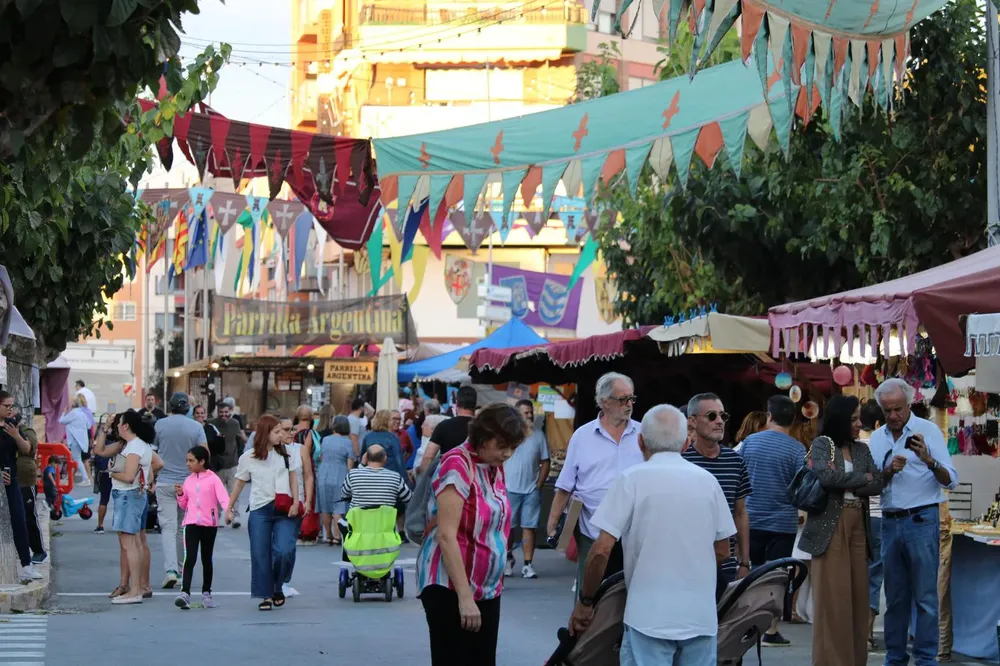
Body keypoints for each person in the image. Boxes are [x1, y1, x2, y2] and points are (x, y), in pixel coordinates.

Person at [569, 405, 736, 666]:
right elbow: (723, 550)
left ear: (640, 442)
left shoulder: (630, 480)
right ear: (685, 444)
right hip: (700, 618)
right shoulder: (709, 482)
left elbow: (601, 550)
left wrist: (586, 600)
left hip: (647, 617)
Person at [415, 403, 528, 666]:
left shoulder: (492, 465)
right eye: (502, 446)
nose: (508, 453)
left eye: (513, 447)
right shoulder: (457, 464)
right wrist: (465, 599)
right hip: (451, 586)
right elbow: (446, 536)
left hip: (485, 587)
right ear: (484, 437)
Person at [868, 378, 957, 666]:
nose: (893, 415)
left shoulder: (928, 431)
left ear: (908, 405)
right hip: (890, 521)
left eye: (898, 409)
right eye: (887, 410)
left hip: (922, 519)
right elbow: (871, 484)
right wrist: (887, 471)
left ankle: (925, 658)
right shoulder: (877, 438)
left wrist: (928, 460)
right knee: (895, 598)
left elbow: (951, 480)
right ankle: (895, 657)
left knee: (925, 598)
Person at [798, 395, 884, 666]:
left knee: (858, 598)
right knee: (833, 599)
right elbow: (826, 477)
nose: (859, 424)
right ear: (840, 420)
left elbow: (877, 482)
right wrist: (862, 478)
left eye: (859, 419)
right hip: (831, 525)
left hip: (859, 523)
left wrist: (850, 481)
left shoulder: (861, 449)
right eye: (853, 419)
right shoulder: (823, 444)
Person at [547, 372, 644, 593]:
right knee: (589, 593)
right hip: (592, 531)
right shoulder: (582, 436)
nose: (629, 405)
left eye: (631, 399)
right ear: (604, 402)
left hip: (635, 532)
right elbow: (565, 485)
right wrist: (552, 525)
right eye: (623, 399)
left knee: (632, 593)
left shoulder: (643, 433)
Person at [738, 395, 804, 646]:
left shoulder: (749, 443)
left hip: (751, 518)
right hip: (783, 522)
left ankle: (746, 624)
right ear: (793, 420)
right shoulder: (797, 450)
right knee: (777, 576)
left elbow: (739, 478)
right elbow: (800, 488)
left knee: (751, 572)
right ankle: (771, 629)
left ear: (769, 416)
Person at [227, 415, 301, 612]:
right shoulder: (249, 457)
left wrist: (296, 502)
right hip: (260, 509)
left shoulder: (289, 453)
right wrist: (229, 507)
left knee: (284, 550)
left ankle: (278, 586)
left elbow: (294, 479)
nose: (281, 435)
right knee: (260, 554)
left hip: (285, 509)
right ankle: (266, 595)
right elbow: (239, 483)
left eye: (281, 431)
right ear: (265, 434)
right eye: (276, 432)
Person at [682, 393, 752, 584]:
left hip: (726, 564)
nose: (720, 421)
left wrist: (744, 562)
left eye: (723, 416)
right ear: (692, 421)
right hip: (687, 561)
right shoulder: (681, 460)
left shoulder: (735, 461)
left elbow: (740, 513)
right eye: (712, 416)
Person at [153, 392, 208, 589]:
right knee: (182, 528)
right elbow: (205, 454)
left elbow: (152, 452)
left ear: (171, 406)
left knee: (168, 527)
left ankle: (171, 571)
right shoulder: (196, 427)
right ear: (188, 408)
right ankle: (181, 568)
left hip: (165, 481)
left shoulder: (159, 425)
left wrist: (151, 478)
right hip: (188, 483)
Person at [107, 410, 158, 605]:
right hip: (135, 495)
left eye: (119, 423)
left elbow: (128, 477)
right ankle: (137, 588)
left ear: (126, 425)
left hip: (128, 495)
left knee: (129, 544)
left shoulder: (134, 447)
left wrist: (112, 472)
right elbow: (149, 475)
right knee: (135, 542)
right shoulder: (141, 445)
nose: (117, 426)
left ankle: (135, 590)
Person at [174, 445, 230, 610]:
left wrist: (228, 512)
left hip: (209, 525)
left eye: (191, 461)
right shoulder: (188, 480)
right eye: (187, 460)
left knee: (207, 558)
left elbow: (224, 498)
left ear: (202, 461)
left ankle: (207, 593)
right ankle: (185, 593)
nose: (188, 464)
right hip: (191, 523)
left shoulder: (213, 479)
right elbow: (184, 505)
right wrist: (180, 494)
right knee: (190, 558)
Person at [504, 399, 550, 580]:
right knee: (508, 528)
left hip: (531, 489)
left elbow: (545, 462)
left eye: (531, 412)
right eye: (526, 413)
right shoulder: (508, 434)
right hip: (509, 488)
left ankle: (527, 565)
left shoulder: (539, 435)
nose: (530, 416)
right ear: (517, 415)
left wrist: (539, 484)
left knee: (529, 527)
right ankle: (508, 558)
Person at [0, 392, 42, 581]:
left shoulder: (12, 426)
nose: (11, 409)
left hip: (12, 479)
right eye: (7, 406)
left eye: (12, 406)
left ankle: (26, 565)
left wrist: (16, 435)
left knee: (20, 520)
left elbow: (27, 449)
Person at [858, 398, 886, 649]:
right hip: (879, 517)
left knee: (854, 575)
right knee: (874, 576)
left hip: (855, 516)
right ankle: (866, 634)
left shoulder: (852, 447)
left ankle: (851, 631)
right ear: (878, 424)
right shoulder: (881, 446)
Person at [417, 385, 478, 473]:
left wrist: (424, 476)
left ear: (457, 403)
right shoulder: (482, 427)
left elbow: (428, 457)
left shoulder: (443, 426)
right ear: (475, 404)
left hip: (449, 475)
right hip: (476, 476)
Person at [13, 407, 46, 564]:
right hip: (11, 479)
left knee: (29, 516)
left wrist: (17, 432)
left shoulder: (27, 431)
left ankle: (38, 550)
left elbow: (29, 449)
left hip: (25, 480)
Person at [317, 415, 356, 545]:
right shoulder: (348, 442)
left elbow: (321, 457)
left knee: (325, 507)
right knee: (338, 507)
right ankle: (337, 536)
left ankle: (328, 535)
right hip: (340, 474)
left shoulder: (325, 440)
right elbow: (350, 465)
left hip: (323, 474)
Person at [209, 402, 247, 528]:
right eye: (221, 412)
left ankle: (235, 516)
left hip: (232, 463)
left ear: (230, 412)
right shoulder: (211, 423)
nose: (224, 414)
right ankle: (217, 517)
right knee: (216, 494)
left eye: (226, 412)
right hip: (217, 464)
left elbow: (240, 439)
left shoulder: (234, 423)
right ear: (217, 412)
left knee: (233, 492)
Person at [341, 444, 412, 510]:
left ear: (366, 458)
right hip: (385, 519)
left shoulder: (353, 475)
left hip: (358, 519)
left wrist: (361, 465)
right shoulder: (395, 477)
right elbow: (408, 498)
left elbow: (344, 494)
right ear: (385, 458)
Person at [361, 410, 406, 478]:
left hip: (370, 473)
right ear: (387, 421)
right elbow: (399, 459)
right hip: (389, 474)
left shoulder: (367, 436)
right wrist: (404, 478)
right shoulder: (392, 437)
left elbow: (363, 456)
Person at [59, 395, 92, 485]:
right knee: (77, 459)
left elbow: (61, 421)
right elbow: (89, 425)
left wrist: (64, 412)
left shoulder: (73, 413)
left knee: (77, 459)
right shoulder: (82, 413)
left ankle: (85, 479)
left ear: (73, 404)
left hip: (74, 439)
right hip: (82, 440)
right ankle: (77, 478)